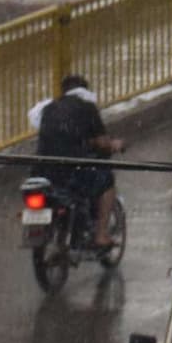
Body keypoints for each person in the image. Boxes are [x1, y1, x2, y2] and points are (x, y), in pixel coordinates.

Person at [33, 72, 123, 254]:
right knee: (107, 182)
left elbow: (58, 137)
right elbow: (102, 142)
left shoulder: (49, 109)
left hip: (42, 171)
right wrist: (116, 144)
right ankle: (101, 235)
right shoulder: (87, 108)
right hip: (72, 171)